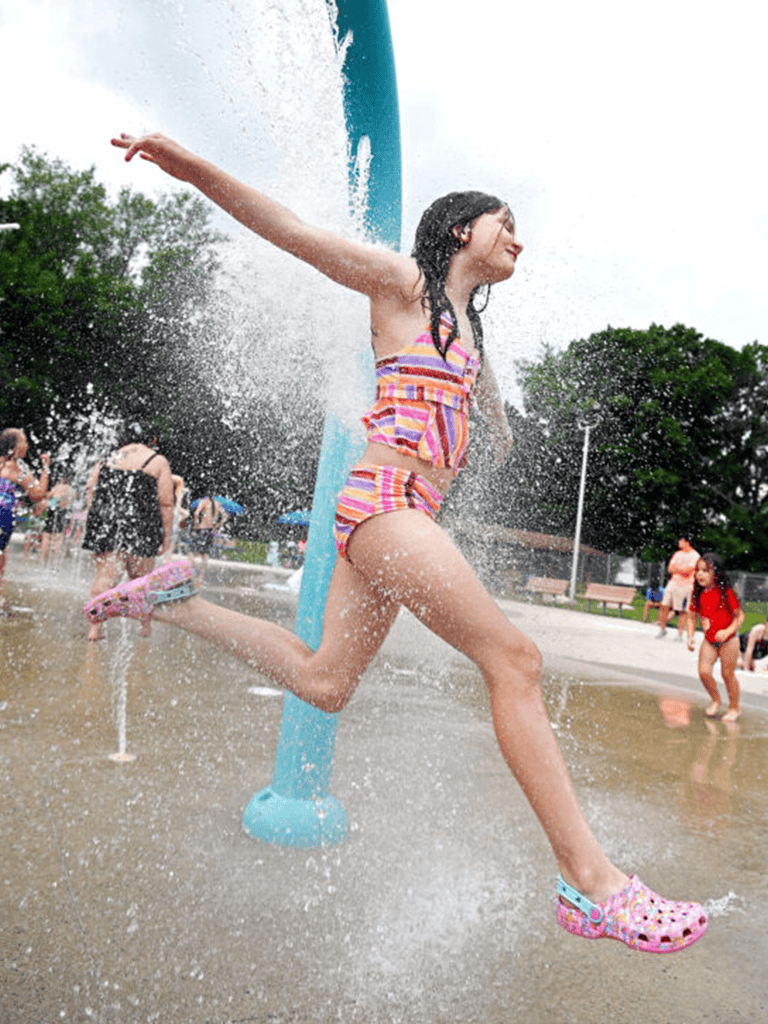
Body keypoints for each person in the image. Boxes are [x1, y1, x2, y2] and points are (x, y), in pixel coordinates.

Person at [85, 130, 708, 953]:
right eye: (504, 222)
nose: (518, 237)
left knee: (325, 681)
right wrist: (189, 164)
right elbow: (293, 234)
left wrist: (495, 420)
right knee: (515, 660)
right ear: (460, 230)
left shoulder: (465, 331)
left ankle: (179, 599)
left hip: (399, 512)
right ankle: (591, 884)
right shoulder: (404, 285)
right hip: (385, 504)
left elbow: (469, 391)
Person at [82, 421, 175, 640]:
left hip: (107, 520)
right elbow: (166, 502)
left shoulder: (109, 457)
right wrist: (167, 536)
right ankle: (144, 627)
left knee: (105, 575)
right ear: (152, 440)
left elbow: (90, 489)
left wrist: (95, 518)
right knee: (141, 579)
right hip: (143, 523)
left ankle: (95, 628)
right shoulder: (157, 460)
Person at [687, 553, 744, 722]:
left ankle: (734, 708)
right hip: (710, 640)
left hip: (729, 640)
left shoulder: (726, 593)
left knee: (727, 674)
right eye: (698, 570)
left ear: (716, 573)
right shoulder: (698, 593)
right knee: (703, 671)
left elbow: (739, 616)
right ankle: (716, 700)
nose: (700, 574)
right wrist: (690, 636)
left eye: (705, 570)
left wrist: (727, 631)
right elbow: (691, 616)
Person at [0, 428, 50, 612]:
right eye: (24, 441)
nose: (27, 445)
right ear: (14, 446)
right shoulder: (18, 469)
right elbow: (38, 494)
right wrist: (46, 468)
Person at [656, 537, 699, 640]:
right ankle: (662, 630)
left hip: (686, 585)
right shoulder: (678, 554)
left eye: (681, 541)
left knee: (682, 610)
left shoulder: (695, 555)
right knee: (664, 605)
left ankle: (679, 634)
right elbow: (670, 568)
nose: (679, 543)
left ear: (687, 542)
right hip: (673, 582)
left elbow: (688, 572)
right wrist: (680, 570)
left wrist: (677, 569)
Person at [39, 466, 74, 568]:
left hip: (53, 511)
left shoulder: (57, 487)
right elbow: (72, 503)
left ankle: (42, 562)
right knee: (59, 538)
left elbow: (47, 496)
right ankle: (55, 563)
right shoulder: (72, 490)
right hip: (64, 512)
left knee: (47, 536)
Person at [189, 495, 226, 581]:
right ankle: (200, 577)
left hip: (201, 529)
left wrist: (196, 524)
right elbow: (225, 517)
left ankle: (191, 574)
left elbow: (196, 513)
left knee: (191, 551)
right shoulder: (217, 504)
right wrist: (217, 525)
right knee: (205, 554)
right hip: (211, 531)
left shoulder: (204, 501)